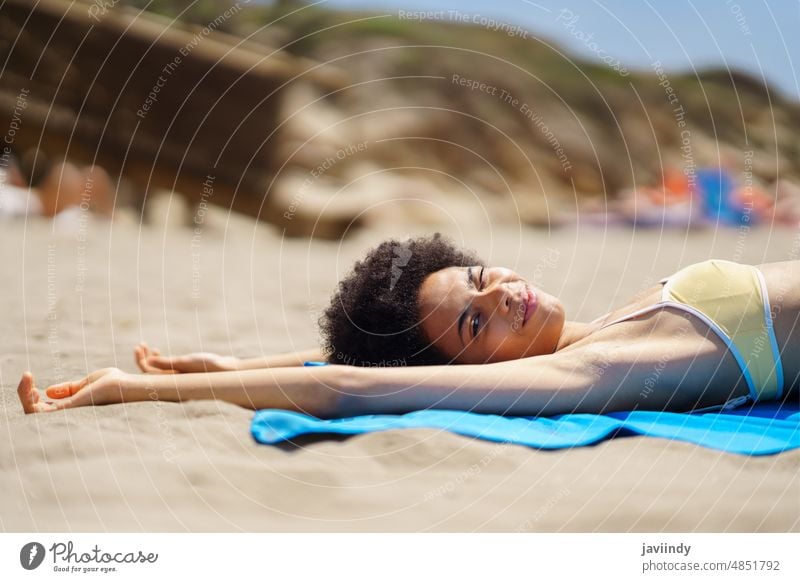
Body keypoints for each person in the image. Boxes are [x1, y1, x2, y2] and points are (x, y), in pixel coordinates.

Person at [17, 234, 798, 418]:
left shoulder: (594, 332)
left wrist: (223, 364)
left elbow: (348, 363)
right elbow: (361, 385)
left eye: (484, 280)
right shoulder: (600, 368)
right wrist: (128, 392)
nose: (504, 298)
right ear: (473, 368)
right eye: (474, 321)